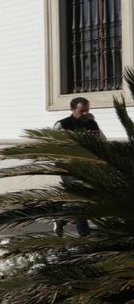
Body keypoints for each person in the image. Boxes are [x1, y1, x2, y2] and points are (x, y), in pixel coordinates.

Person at [53, 97, 102, 237]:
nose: (85, 114)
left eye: (87, 111)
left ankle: (62, 219)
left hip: (88, 166)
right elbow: (52, 145)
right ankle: (84, 235)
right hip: (68, 167)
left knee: (87, 198)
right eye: (82, 111)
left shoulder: (92, 123)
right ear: (73, 109)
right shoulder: (62, 124)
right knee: (80, 197)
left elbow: (100, 143)